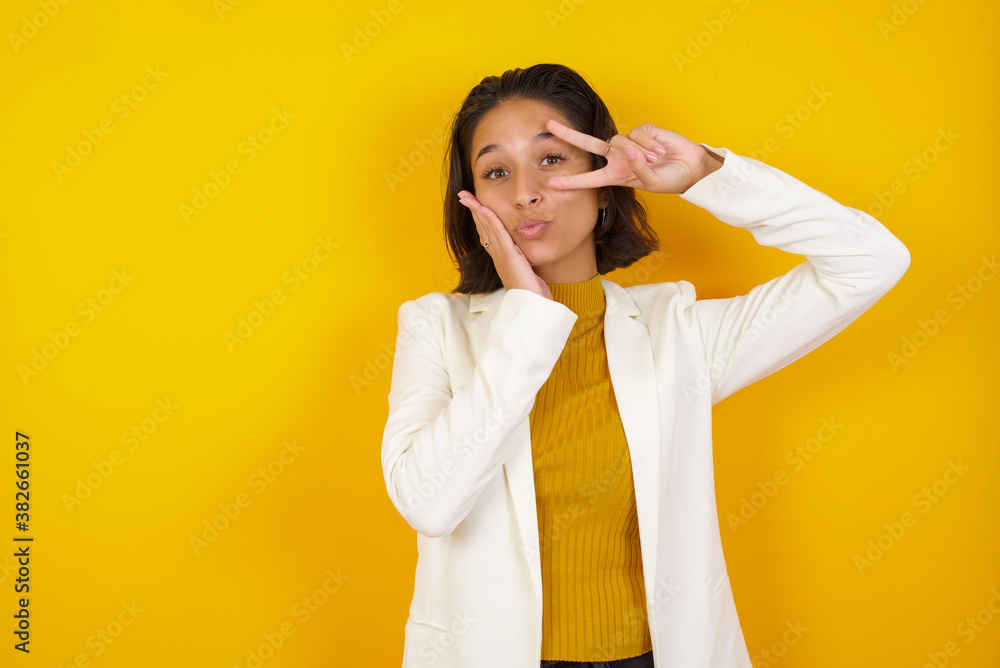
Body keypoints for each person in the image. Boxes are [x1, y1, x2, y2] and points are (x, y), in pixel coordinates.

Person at [380, 63, 910, 668]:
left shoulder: (675, 333)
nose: (526, 191)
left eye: (551, 159)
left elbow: (871, 261)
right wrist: (529, 315)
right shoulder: (435, 327)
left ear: (603, 184)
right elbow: (428, 503)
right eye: (496, 171)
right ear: (472, 201)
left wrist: (704, 173)